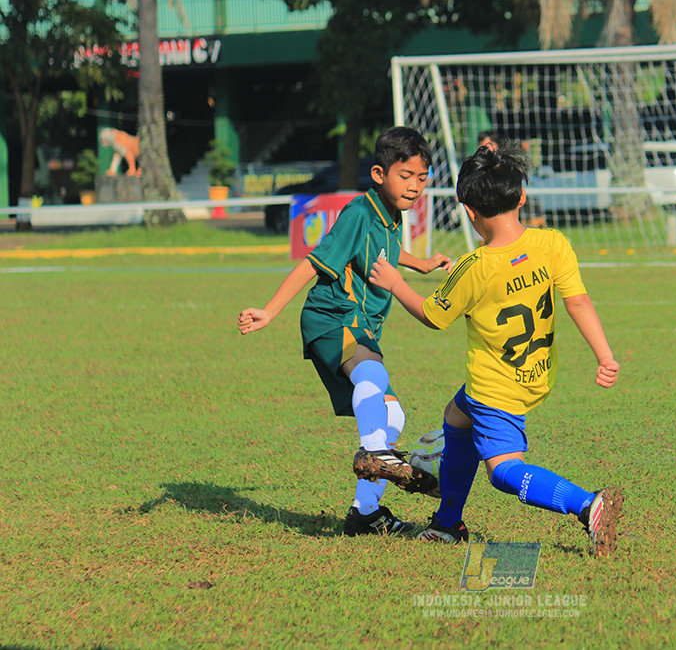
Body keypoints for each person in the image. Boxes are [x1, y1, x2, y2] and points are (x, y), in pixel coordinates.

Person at [369, 142, 624, 557]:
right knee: (456, 419)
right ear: (521, 196)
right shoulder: (552, 243)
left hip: (497, 387)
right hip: (536, 373)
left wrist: (396, 283)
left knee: (504, 471)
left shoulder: (475, 267)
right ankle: (448, 523)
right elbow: (578, 301)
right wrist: (605, 356)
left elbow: (433, 316)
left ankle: (586, 505)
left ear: (469, 211)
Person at [237, 126, 452, 536]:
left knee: (392, 412)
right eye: (405, 176)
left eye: (421, 179)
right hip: (332, 316)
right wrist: (269, 310)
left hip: (357, 325)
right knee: (373, 375)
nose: (414, 187)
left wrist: (419, 264)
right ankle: (375, 452)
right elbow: (313, 262)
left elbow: (381, 249)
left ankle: (364, 513)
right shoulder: (359, 211)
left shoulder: (391, 216)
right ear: (378, 173)